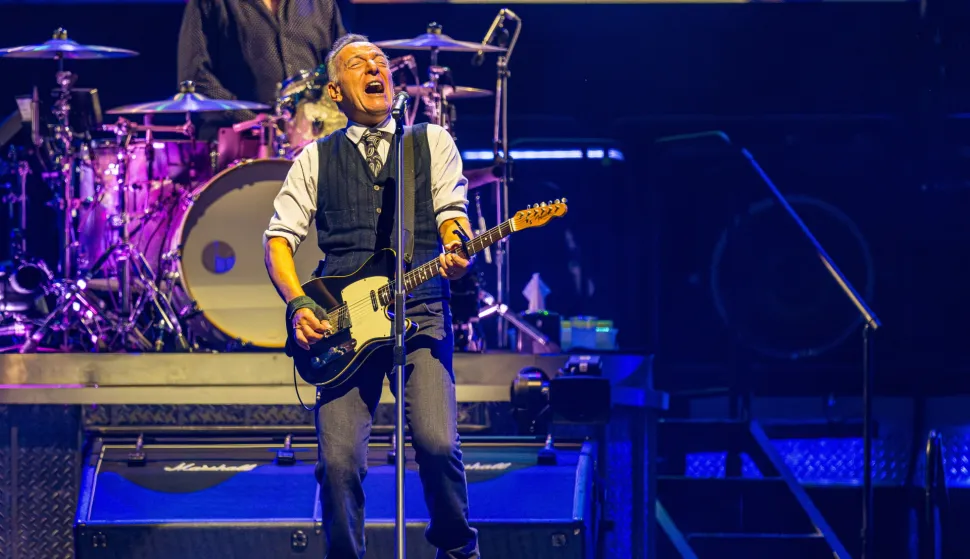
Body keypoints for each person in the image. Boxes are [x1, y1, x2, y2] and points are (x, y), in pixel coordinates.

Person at [262, 34, 480, 559]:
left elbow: (453, 212)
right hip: (341, 322)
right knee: (338, 465)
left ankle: (457, 551)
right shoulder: (315, 158)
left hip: (421, 308)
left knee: (437, 443)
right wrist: (298, 306)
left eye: (380, 62)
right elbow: (277, 240)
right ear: (336, 92)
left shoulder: (430, 141)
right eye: (360, 64)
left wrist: (456, 246)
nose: (375, 68)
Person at [176, 0, 349, 141]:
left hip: (311, 142)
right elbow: (195, 78)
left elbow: (341, 69)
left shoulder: (322, 4)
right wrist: (254, 122)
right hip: (238, 144)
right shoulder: (210, 3)